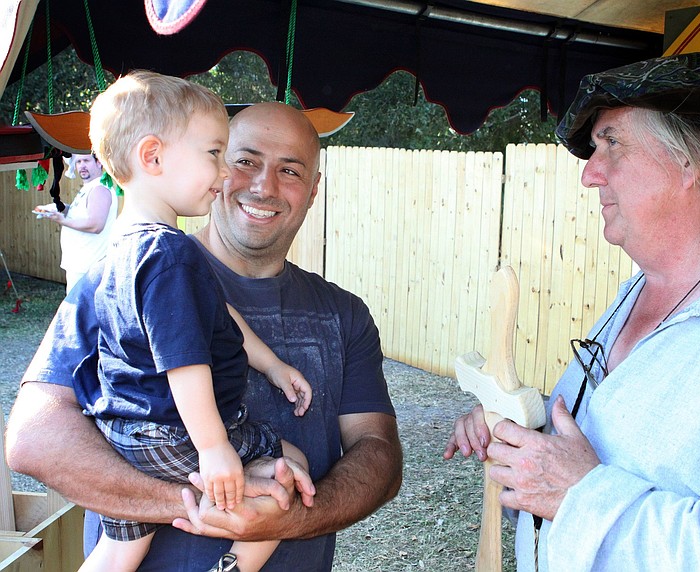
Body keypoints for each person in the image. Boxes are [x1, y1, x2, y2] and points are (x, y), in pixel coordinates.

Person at [444, 52, 700, 570]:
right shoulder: (637, 291)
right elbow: (612, 440)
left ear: (692, 161)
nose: (591, 174)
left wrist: (580, 496)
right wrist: (523, 432)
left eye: (611, 142)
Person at [6, 101, 403, 571]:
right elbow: (33, 439)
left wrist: (286, 518)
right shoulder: (126, 275)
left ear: (314, 189)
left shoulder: (344, 314)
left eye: (290, 171)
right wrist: (200, 501)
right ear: (215, 166)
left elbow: (378, 456)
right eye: (244, 160)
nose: (264, 185)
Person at [77, 71, 315, 572]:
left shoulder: (116, 250)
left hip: (124, 434)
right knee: (288, 467)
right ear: (153, 157)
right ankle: (235, 567)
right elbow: (182, 358)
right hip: (176, 435)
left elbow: (215, 315)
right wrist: (215, 448)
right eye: (213, 154)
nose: (225, 174)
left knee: (120, 549)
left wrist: (270, 364)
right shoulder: (171, 254)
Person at [33, 153, 118, 293]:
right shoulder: (90, 187)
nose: (82, 166)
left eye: (86, 161)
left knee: (82, 313)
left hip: (89, 269)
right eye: (78, 162)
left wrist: (62, 220)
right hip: (79, 266)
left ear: (99, 163)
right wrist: (59, 208)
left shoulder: (100, 189)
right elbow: (81, 214)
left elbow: (95, 225)